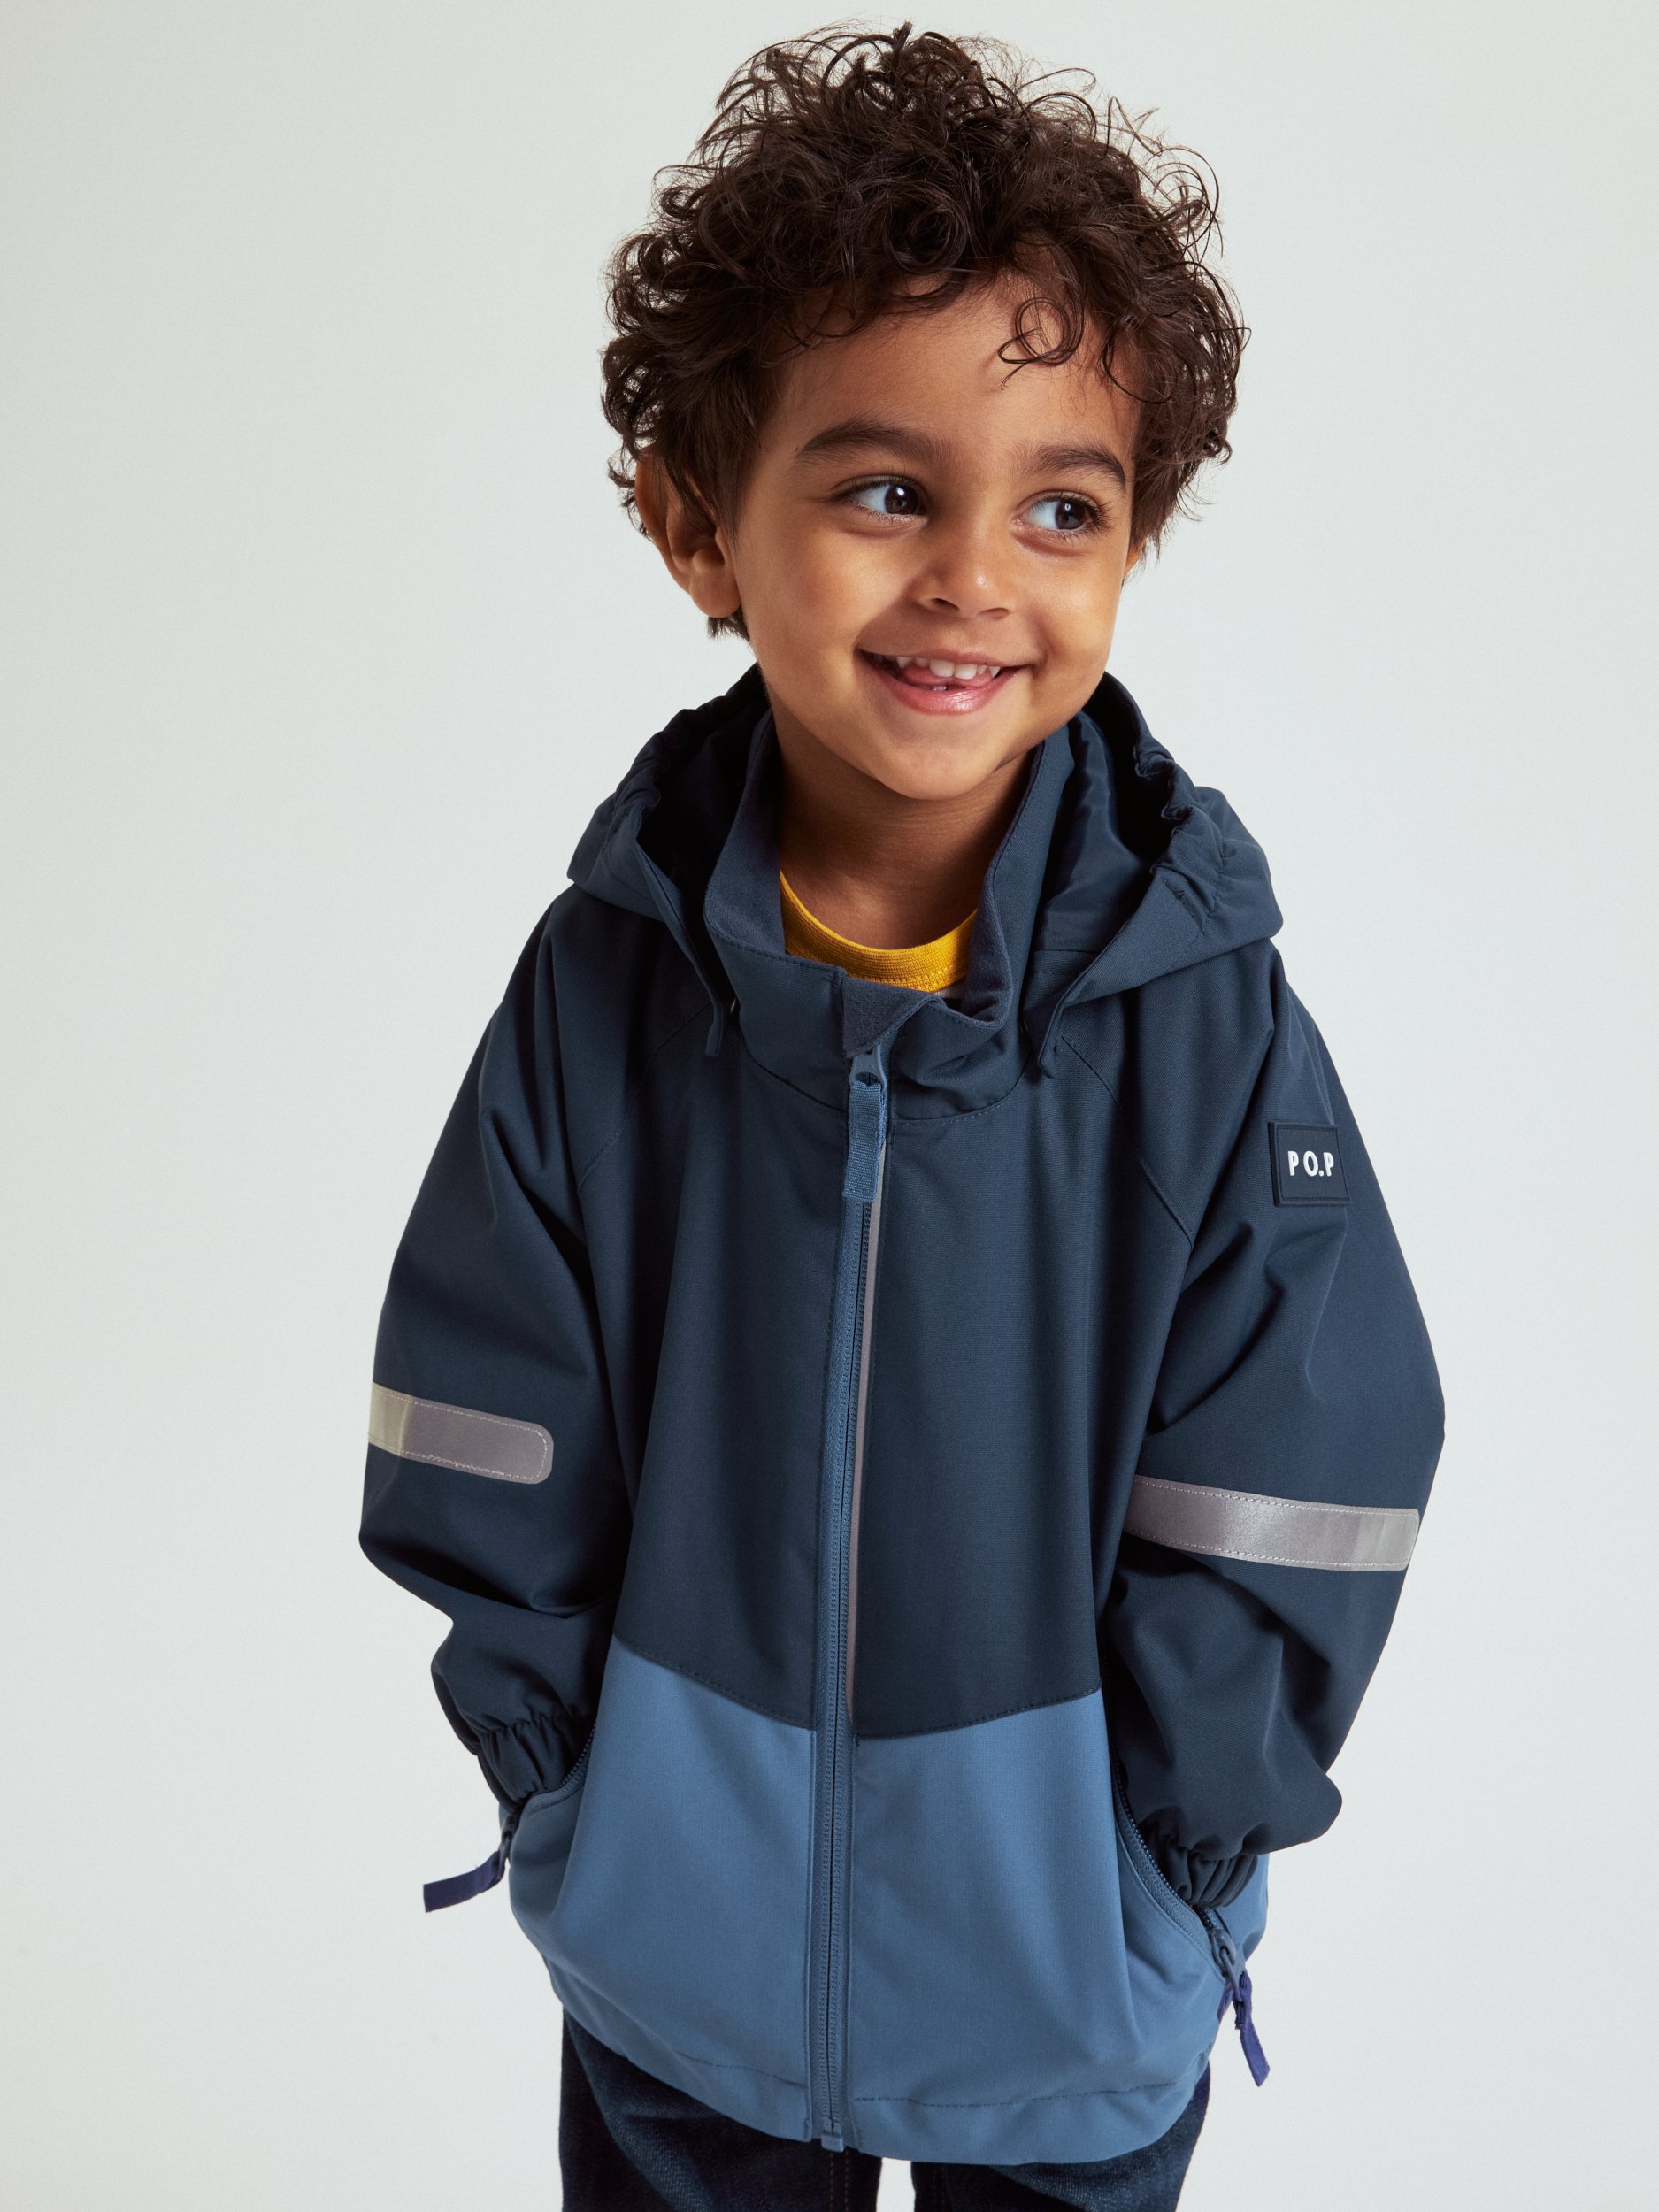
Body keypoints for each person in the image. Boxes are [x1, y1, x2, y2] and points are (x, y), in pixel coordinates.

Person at [359, 25, 1445, 2209]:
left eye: (1061, 506)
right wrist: (568, 1793)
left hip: (1065, 1979)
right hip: (677, 1968)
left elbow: (1304, 1469)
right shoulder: (603, 985)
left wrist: (1163, 1864)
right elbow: (481, 1416)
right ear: (696, 523)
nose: (971, 574)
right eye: (882, 492)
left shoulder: (1201, 1022)